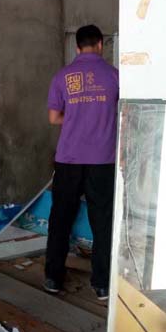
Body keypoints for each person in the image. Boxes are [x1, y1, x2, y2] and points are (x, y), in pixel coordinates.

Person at [44, 24, 119, 301]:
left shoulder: (62, 76)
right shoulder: (115, 76)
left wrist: (75, 116)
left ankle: (53, 278)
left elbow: (54, 118)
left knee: (60, 218)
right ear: (100, 45)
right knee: (102, 221)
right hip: (103, 160)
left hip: (69, 159)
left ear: (77, 48)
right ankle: (102, 285)